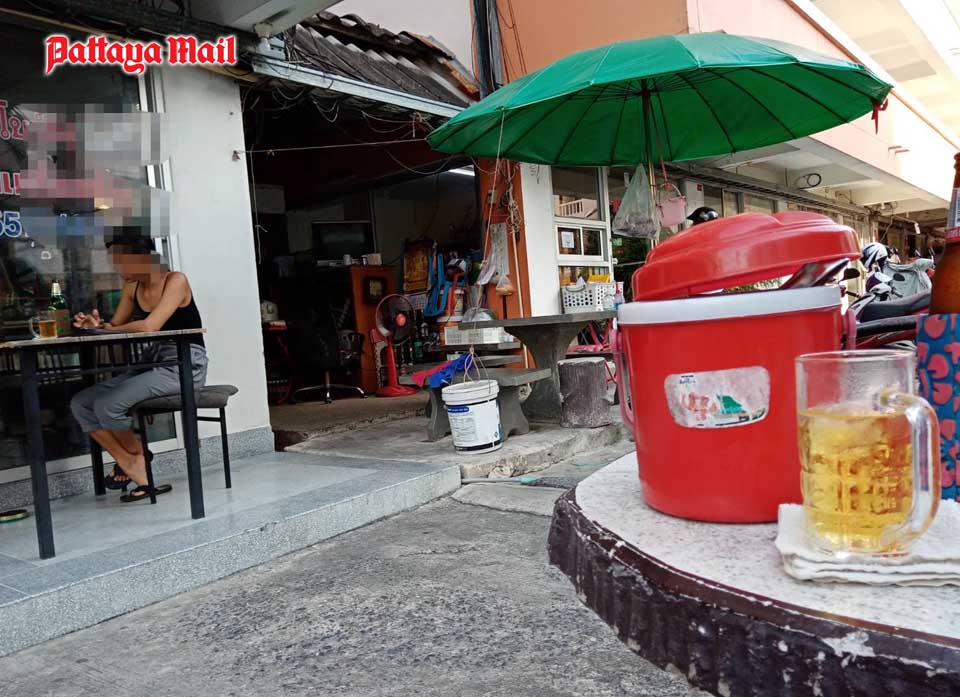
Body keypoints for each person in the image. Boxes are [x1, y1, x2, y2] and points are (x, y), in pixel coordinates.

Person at [70, 228, 207, 502]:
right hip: (152, 361)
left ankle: (136, 460)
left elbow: (148, 326)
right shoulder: (132, 287)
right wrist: (96, 326)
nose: (117, 269)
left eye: (121, 262)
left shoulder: (175, 280)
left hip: (183, 364)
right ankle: (133, 462)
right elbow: (115, 326)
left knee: (107, 405)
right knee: (81, 403)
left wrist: (108, 330)